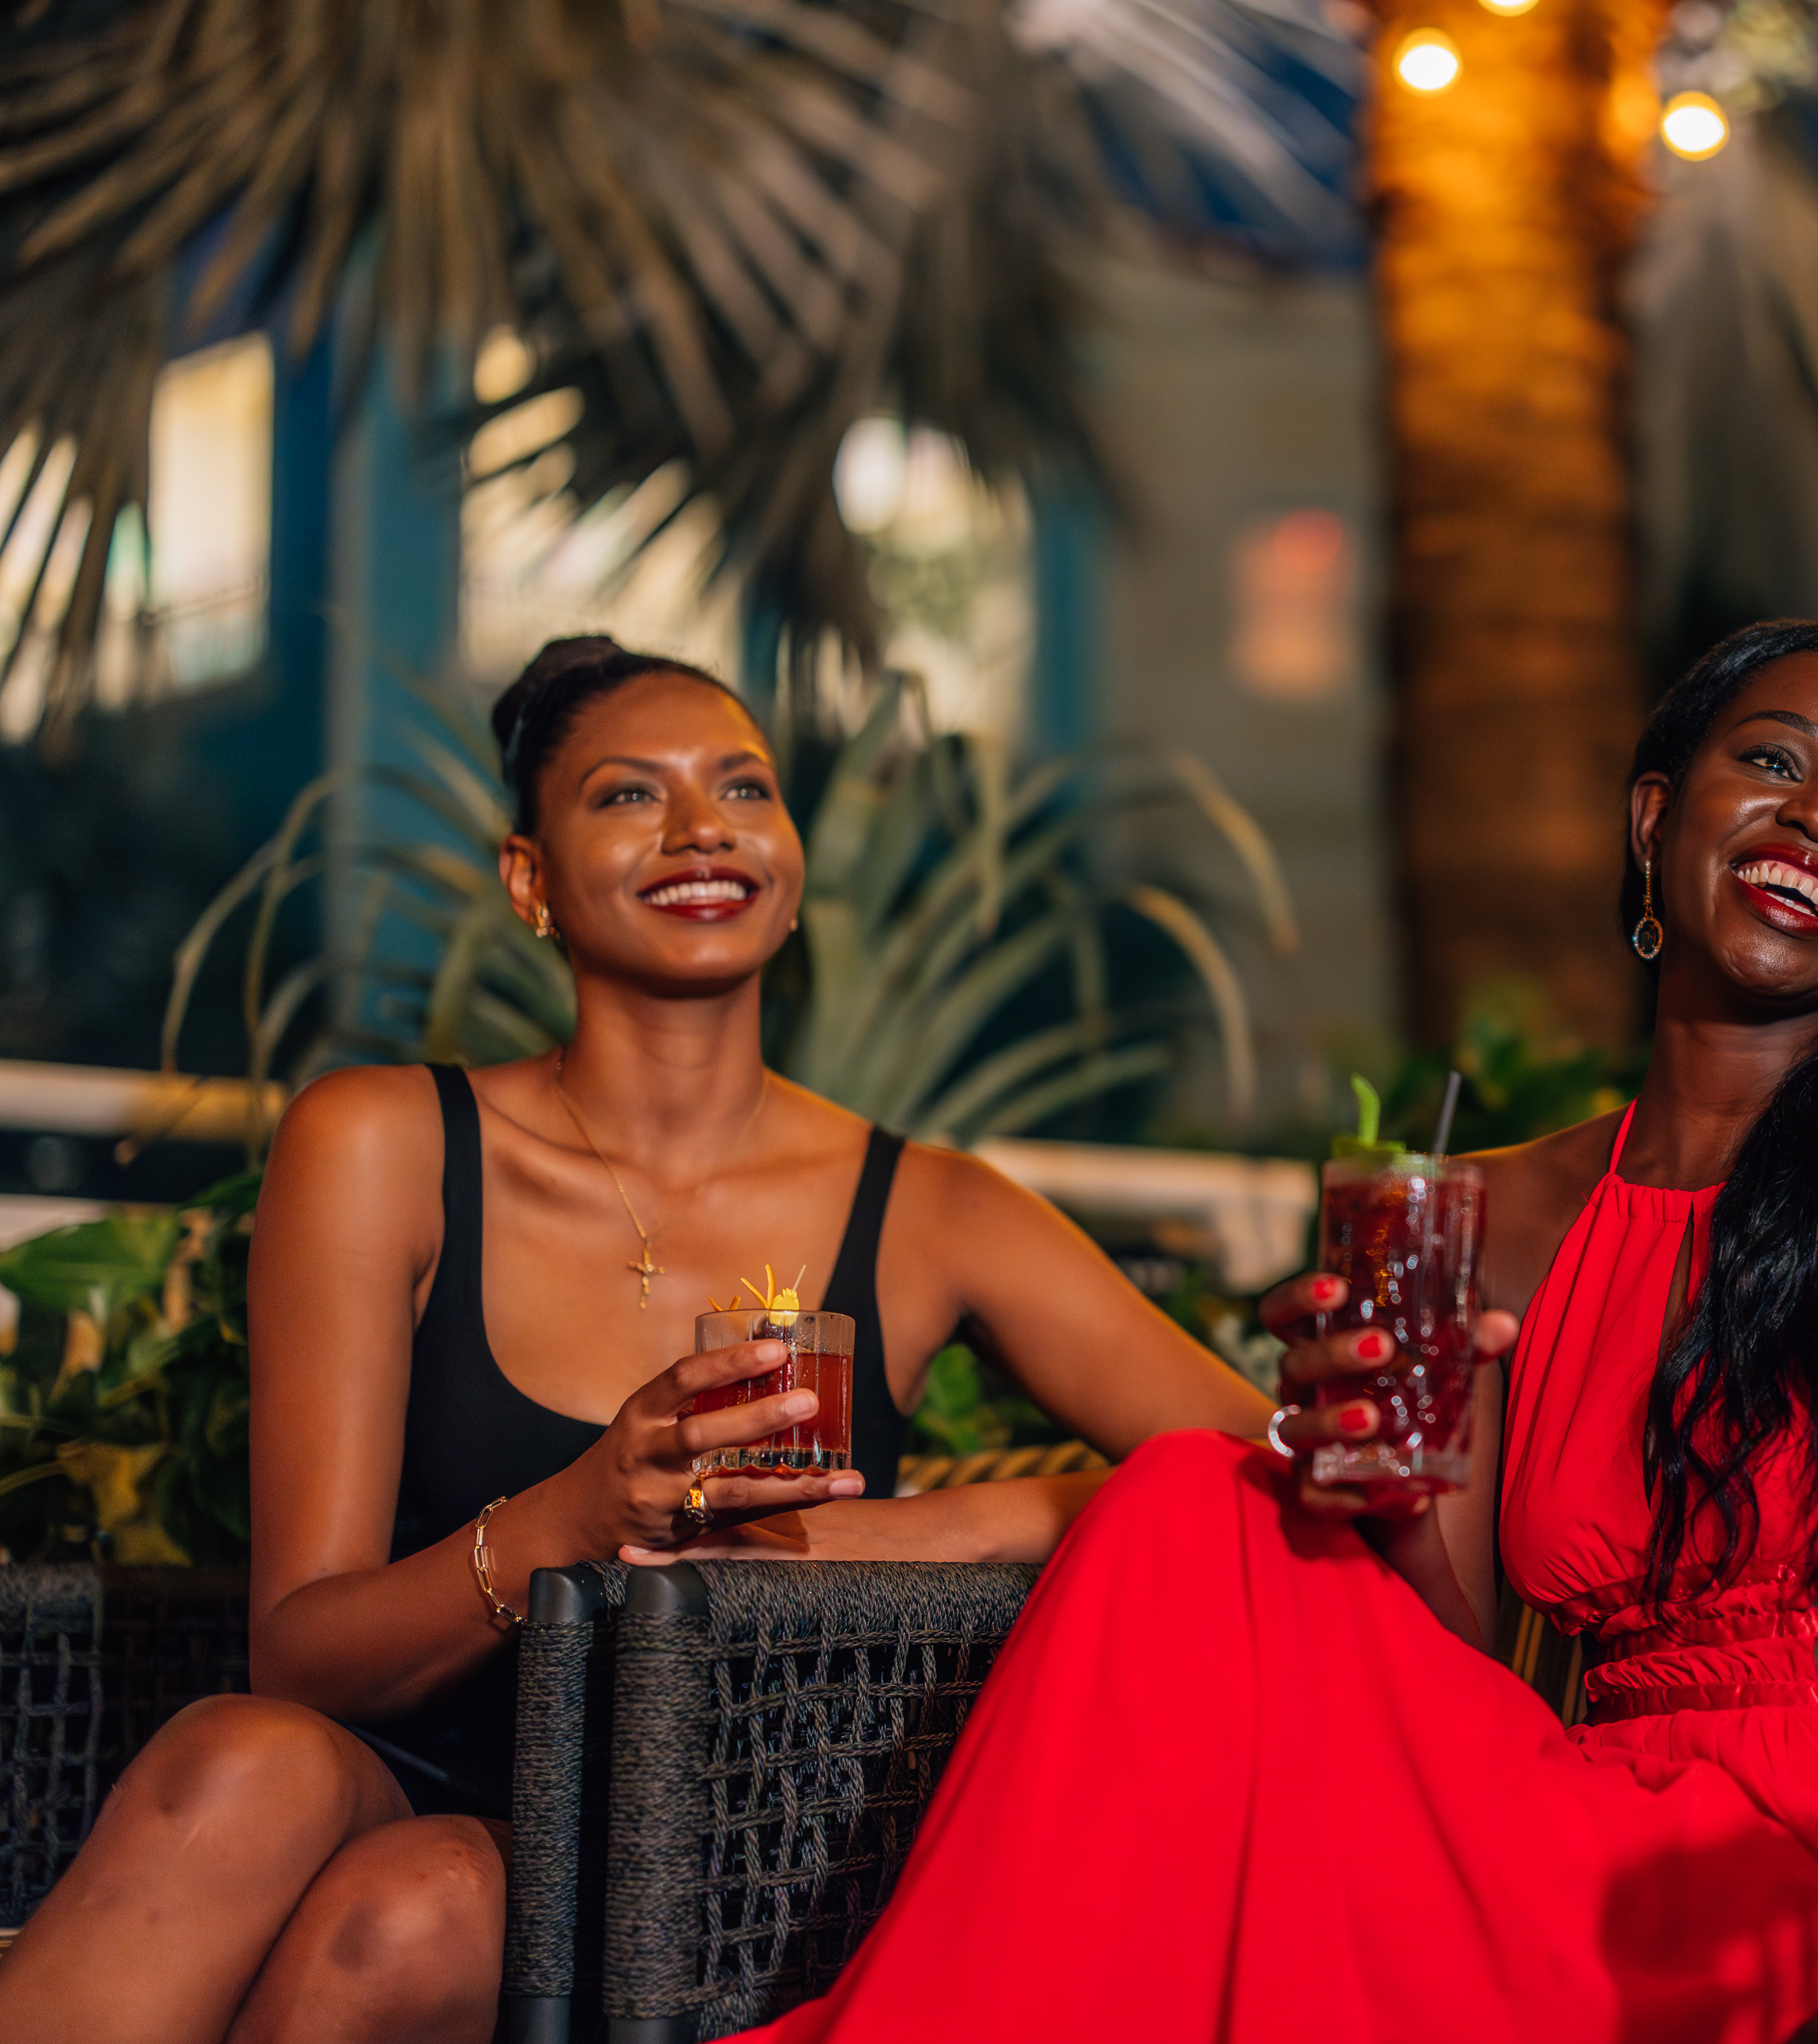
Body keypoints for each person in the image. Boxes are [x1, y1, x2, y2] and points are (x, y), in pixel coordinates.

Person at [723, 619, 1818, 2042]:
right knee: (1193, 1497)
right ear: (1659, 819)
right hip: (1578, 1808)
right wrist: (1373, 1475)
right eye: (1773, 762)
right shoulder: (1485, 1210)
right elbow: (1450, 1661)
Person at [0, 638, 1272, 2044]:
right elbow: (301, 1657)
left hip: (713, 1832)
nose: (700, 828)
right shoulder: (383, 1144)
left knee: (411, 1913)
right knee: (244, 1760)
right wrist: (585, 1508)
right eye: (626, 796)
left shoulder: (932, 1212)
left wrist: (927, 1530)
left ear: (788, 864)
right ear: (529, 880)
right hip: (388, 1755)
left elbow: (1256, 1468)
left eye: (744, 788)